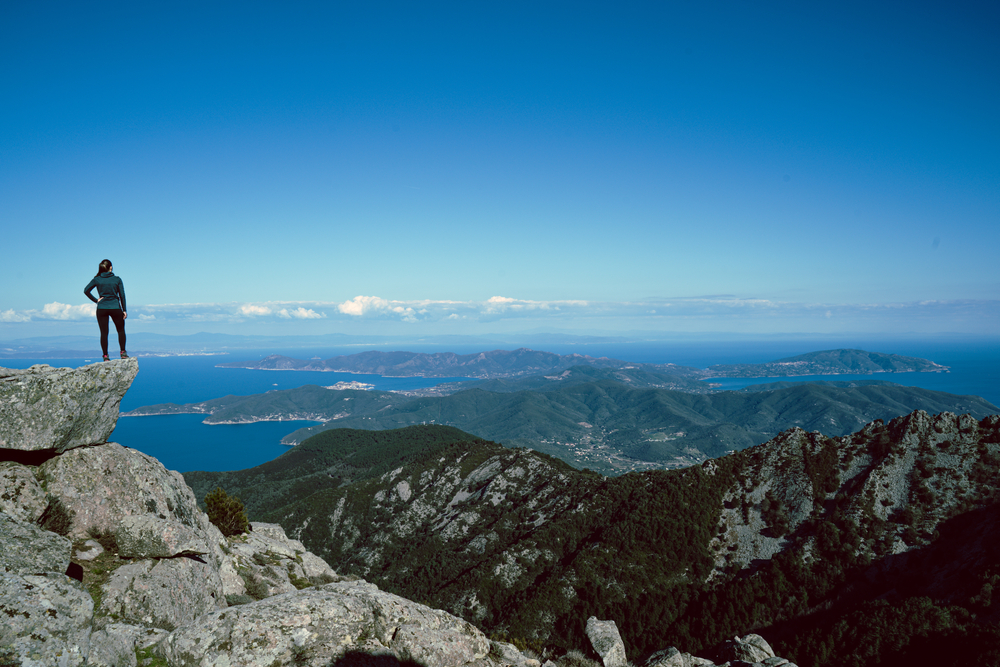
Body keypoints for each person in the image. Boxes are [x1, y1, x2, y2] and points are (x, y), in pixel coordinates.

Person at [84, 259, 128, 361]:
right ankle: (123, 353)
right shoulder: (117, 279)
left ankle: (105, 356)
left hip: (102, 308)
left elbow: (86, 290)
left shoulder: (97, 279)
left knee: (104, 333)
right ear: (110, 267)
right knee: (120, 330)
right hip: (115, 307)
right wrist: (124, 309)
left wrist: (96, 300)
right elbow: (122, 295)